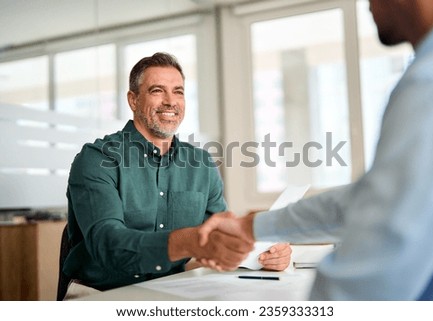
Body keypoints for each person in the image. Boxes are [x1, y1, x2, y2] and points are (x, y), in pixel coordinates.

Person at [199, 0, 433, 300]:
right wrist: (253, 226)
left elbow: (376, 266)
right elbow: (369, 202)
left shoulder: (432, 82)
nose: (366, 7)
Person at [63, 52, 291, 298]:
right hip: (102, 294)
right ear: (133, 100)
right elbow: (107, 245)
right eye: (157, 91)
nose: (171, 101)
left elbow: (219, 238)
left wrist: (264, 252)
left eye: (179, 91)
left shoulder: (202, 164)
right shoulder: (98, 159)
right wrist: (187, 241)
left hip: (175, 288)